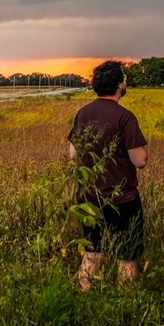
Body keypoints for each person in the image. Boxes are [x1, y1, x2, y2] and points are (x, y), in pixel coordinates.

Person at [67, 60, 149, 289]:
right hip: (122, 199)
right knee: (127, 256)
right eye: (124, 78)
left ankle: (83, 296)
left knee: (92, 253)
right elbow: (139, 160)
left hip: (88, 198)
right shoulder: (125, 117)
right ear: (119, 85)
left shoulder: (83, 113)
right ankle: (124, 302)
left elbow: (73, 154)